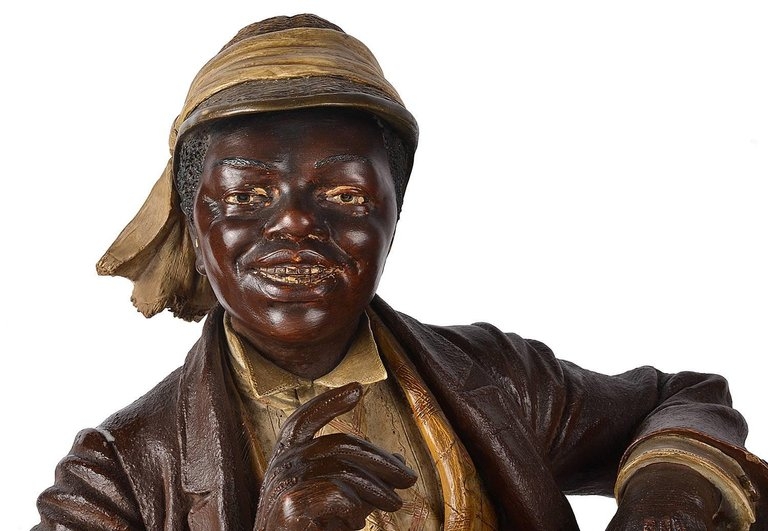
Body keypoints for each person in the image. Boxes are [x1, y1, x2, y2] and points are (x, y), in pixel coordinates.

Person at [34, 13, 768, 530]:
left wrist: (667, 492)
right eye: (247, 197)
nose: (295, 225)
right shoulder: (118, 474)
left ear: (395, 212)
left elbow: (678, 399)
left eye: (344, 194)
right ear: (196, 225)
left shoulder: (498, 378)